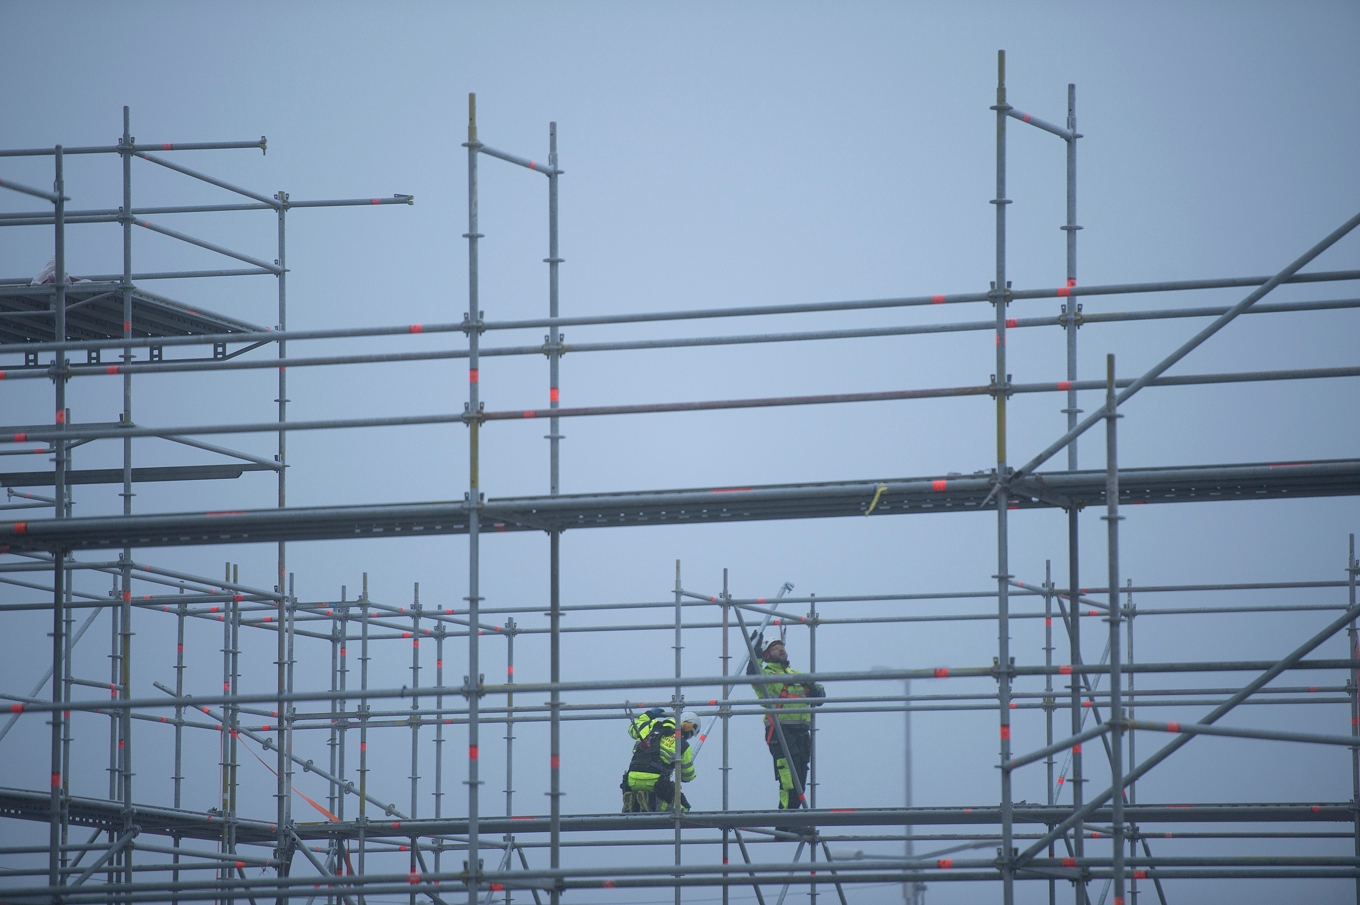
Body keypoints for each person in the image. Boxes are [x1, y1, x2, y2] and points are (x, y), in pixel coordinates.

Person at [747, 632, 825, 813]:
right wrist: (755, 651)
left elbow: (820, 697)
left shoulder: (797, 674)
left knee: (800, 780)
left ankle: (790, 819)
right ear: (767, 655)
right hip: (781, 732)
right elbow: (752, 673)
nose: (780, 649)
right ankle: (784, 822)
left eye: (781, 646)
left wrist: (811, 685)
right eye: (774, 648)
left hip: (802, 734)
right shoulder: (766, 674)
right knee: (789, 780)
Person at [621, 707, 699, 812]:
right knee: (682, 808)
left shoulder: (651, 726)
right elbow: (688, 776)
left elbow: (633, 727)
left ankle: (632, 803)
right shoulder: (682, 745)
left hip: (631, 781)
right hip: (655, 782)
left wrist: (649, 714)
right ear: (687, 727)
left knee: (640, 803)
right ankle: (649, 802)